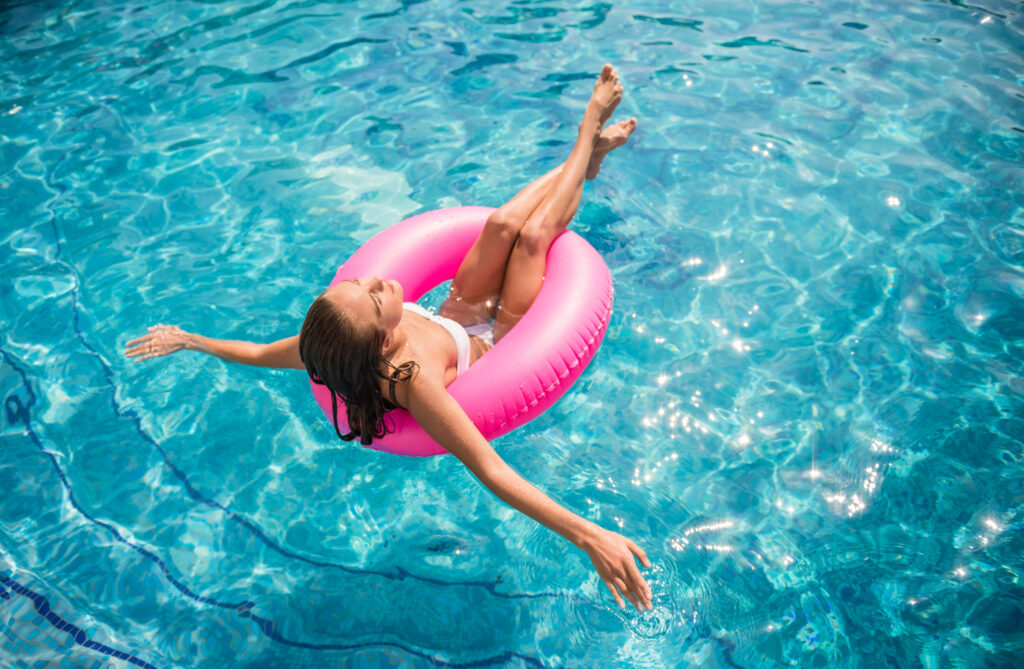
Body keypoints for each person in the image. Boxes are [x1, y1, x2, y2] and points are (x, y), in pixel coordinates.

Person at [125, 65, 652, 612]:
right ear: (380, 342)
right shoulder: (412, 380)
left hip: (456, 313)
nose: (377, 278)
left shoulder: (334, 345)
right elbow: (491, 471)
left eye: (360, 282)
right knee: (533, 240)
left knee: (499, 225)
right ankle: (587, 134)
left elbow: (259, 353)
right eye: (375, 296)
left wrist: (191, 339)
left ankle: (585, 158)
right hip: (499, 338)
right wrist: (590, 536)